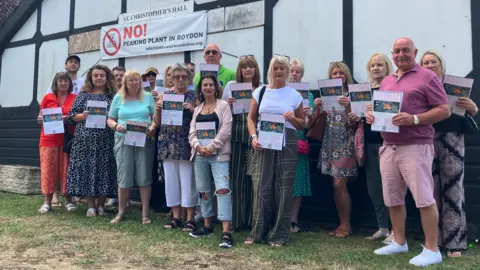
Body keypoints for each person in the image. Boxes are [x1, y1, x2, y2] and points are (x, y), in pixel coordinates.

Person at [367, 38, 451, 267]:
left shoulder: (427, 76)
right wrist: (372, 116)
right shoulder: (386, 80)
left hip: (416, 145)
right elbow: (381, 110)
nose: (401, 54)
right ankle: (399, 241)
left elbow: (444, 110)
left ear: (415, 52)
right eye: (396, 51)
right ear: (392, 54)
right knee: (393, 198)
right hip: (389, 145)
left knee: (424, 199)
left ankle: (433, 250)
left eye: (405, 50)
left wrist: (414, 119)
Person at [420, 50, 478, 258]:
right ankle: (434, 240)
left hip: (453, 140)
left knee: (453, 192)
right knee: (431, 192)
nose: (429, 65)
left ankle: (455, 242)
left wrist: (473, 108)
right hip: (426, 140)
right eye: (425, 62)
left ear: (441, 65)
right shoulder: (420, 87)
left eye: (433, 62)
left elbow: (468, 113)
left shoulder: (454, 86)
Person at [246, 55, 304, 246]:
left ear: (288, 71)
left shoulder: (295, 95)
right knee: (261, 186)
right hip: (264, 143)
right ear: (270, 70)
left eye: (282, 68)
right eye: (275, 68)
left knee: (284, 188)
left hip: (287, 143)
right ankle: (258, 232)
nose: (279, 71)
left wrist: (293, 119)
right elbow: (251, 119)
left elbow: (302, 124)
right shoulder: (260, 92)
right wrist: (254, 137)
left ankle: (279, 234)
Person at [188, 74, 234, 248]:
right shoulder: (198, 108)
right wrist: (198, 146)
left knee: (223, 191)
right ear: (201, 88)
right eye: (204, 85)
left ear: (216, 87)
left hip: (219, 155)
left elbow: (226, 130)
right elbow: (192, 131)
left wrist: (212, 147)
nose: (208, 88)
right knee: (203, 190)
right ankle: (207, 225)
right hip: (200, 156)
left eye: (211, 85)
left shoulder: (223, 106)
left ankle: (226, 231)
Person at [66, 64, 118, 217]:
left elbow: (119, 115)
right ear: (91, 78)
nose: (99, 78)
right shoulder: (83, 95)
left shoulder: (113, 96)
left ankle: (101, 205)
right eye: (96, 75)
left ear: (107, 77)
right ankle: (90, 205)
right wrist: (84, 116)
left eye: (102, 75)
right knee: (88, 170)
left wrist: (110, 116)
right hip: (85, 139)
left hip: (106, 139)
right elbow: (71, 117)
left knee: (104, 170)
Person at [107, 70, 157, 224]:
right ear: (125, 83)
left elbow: (155, 118)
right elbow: (110, 119)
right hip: (123, 140)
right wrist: (116, 126)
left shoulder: (148, 97)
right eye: (131, 80)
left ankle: (145, 213)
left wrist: (153, 128)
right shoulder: (118, 98)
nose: (135, 83)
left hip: (144, 140)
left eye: (137, 80)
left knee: (144, 176)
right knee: (124, 176)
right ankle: (121, 211)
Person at [153, 63, 198, 231]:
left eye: (184, 77)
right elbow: (157, 123)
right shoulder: (164, 95)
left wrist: (193, 109)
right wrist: (158, 109)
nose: (180, 80)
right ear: (170, 78)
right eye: (176, 76)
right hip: (167, 143)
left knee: (188, 181)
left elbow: (202, 120)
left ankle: (190, 218)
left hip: (186, 143)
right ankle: (176, 216)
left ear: (189, 79)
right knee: (171, 182)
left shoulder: (194, 96)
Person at [315, 61, 357, 238]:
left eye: (341, 73)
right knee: (336, 185)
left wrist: (349, 106)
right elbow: (315, 122)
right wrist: (318, 107)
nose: (338, 76)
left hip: (347, 143)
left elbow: (358, 121)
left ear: (346, 75)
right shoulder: (327, 94)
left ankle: (346, 225)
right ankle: (341, 223)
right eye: (334, 73)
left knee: (340, 184)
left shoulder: (353, 94)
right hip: (330, 142)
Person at [221, 55, 263, 232]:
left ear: (256, 69)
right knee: (237, 180)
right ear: (240, 70)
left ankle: (253, 221)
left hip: (255, 138)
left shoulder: (262, 88)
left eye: (251, 66)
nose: (248, 70)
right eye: (244, 67)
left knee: (253, 180)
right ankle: (236, 221)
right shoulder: (231, 86)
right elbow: (221, 109)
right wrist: (227, 104)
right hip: (237, 136)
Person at [363, 53, 394, 243]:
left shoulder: (393, 88)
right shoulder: (365, 91)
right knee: (374, 187)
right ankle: (382, 228)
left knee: (391, 187)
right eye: (372, 65)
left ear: (387, 67)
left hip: (389, 142)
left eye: (380, 65)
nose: (376, 68)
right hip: (369, 142)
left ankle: (395, 230)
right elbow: (359, 117)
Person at [37, 72, 77, 214]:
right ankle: (47, 202)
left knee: (67, 170)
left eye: (65, 81)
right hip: (49, 139)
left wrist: (69, 118)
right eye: (60, 81)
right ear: (55, 83)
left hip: (67, 139)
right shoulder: (48, 98)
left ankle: (68, 200)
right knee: (48, 170)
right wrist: (40, 120)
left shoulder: (75, 98)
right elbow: (40, 119)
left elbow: (76, 117)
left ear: (69, 83)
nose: (63, 83)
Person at [288, 59, 314, 233]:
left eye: (298, 71)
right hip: (282, 138)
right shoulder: (281, 92)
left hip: (299, 139)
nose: (294, 73)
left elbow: (308, 125)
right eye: (292, 70)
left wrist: (309, 115)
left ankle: (293, 219)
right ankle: (279, 216)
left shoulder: (308, 95)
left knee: (297, 182)